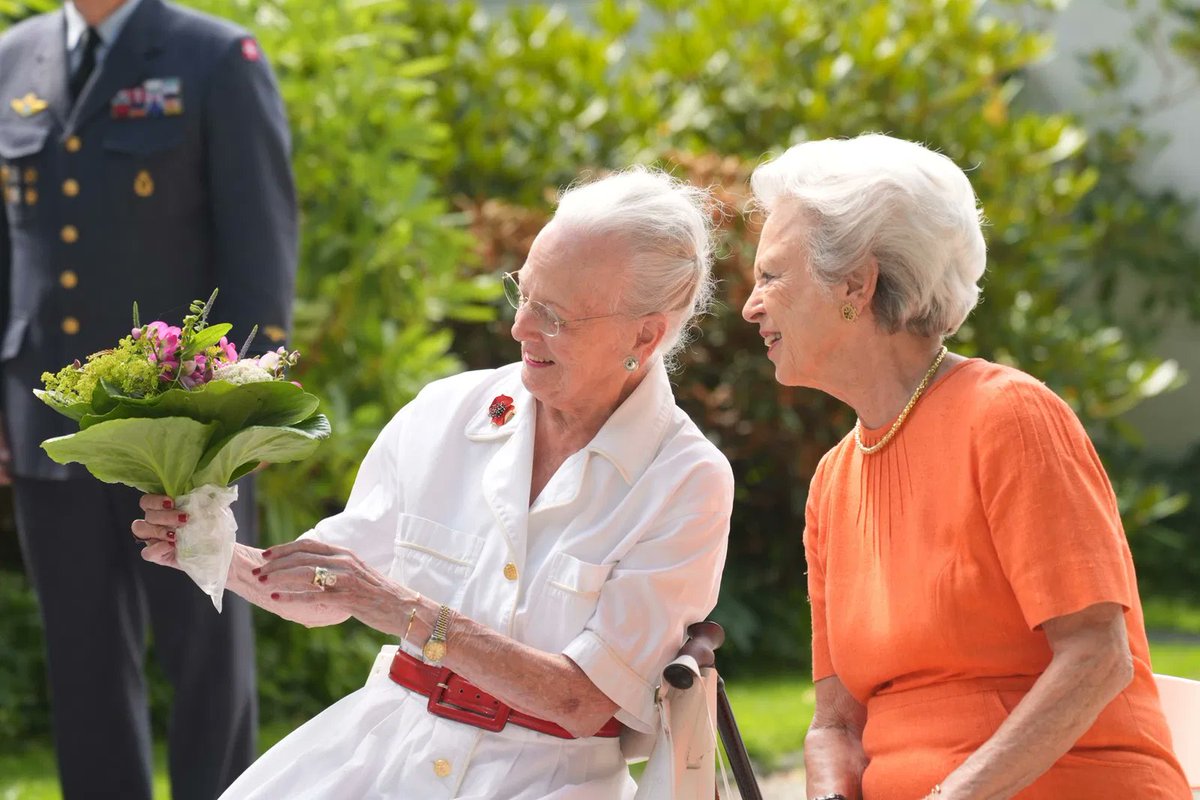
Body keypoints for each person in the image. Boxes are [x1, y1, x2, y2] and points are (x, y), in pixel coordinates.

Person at [134, 167, 734, 800]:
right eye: (522, 294)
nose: (520, 328)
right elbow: (328, 589)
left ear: (646, 332)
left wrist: (400, 608)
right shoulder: (444, 412)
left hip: (542, 779)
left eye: (554, 316)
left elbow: (582, 700)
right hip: (385, 748)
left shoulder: (685, 480)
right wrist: (210, 547)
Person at [741, 134, 1191, 800]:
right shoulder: (834, 482)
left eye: (771, 276)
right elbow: (834, 725)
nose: (751, 305)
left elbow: (1098, 658)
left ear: (856, 285)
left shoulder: (1008, 416)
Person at [0, 0, 296, 797]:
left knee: (207, 657)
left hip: (184, 428)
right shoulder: (12, 54)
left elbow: (259, 245)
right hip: (47, 420)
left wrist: (243, 407)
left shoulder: (215, 57)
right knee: (83, 663)